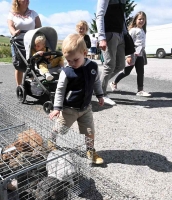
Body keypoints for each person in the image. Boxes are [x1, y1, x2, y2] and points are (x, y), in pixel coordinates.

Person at [49, 33, 104, 165]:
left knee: (90, 131)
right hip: (69, 109)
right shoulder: (66, 71)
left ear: (85, 53)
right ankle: (51, 141)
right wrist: (57, 108)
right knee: (60, 128)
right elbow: (60, 90)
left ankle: (90, 150)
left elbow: (96, 82)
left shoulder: (93, 67)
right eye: (68, 60)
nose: (72, 63)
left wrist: (100, 95)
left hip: (86, 108)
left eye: (75, 60)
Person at [110, 11, 151, 97]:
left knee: (140, 72)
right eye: (140, 19)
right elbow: (128, 43)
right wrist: (128, 56)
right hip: (132, 53)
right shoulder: (133, 30)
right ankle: (114, 83)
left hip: (140, 54)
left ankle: (140, 90)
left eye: (143, 19)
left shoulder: (143, 30)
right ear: (135, 20)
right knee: (126, 72)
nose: (141, 21)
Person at [96, 0, 127, 106]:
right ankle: (101, 94)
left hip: (121, 35)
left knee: (121, 65)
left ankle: (97, 86)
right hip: (109, 34)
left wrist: (125, 35)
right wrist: (101, 37)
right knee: (109, 65)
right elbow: (100, 15)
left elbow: (122, 17)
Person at [7, 0, 42, 86]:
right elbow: (10, 26)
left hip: (31, 41)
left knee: (31, 62)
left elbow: (39, 27)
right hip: (18, 41)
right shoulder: (12, 14)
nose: (27, 1)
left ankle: (31, 83)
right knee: (19, 64)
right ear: (18, 1)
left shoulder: (33, 13)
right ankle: (19, 86)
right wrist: (14, 32)